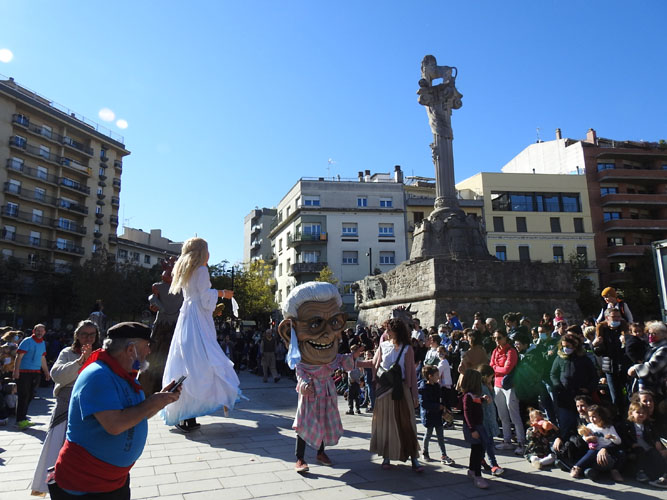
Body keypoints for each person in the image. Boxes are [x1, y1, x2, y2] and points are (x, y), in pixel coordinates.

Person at [48, 322, 181, 499]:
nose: (149, 351)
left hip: (111, 481)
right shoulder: (99, 375)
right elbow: (115, 424)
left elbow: (137, 415)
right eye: (146, 345)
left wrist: (161, 401)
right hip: (86, 484)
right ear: (130, 349)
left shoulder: (122, 374)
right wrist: (152, 402)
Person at [276, 281, 365, 473]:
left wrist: (354, 356)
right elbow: (300, 374)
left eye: (334, 322)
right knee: (304, 425)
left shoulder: (331, 358)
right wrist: (305, 386)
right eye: (315, 324)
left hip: (327, 392)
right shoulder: (302, 361)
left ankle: (320, 452)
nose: (327, 334)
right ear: (289, 331)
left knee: (324, 422)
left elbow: (342, 361)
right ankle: (300, 458)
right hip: (310, 395)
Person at [161, 237, 241, 432]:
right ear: (203, 252)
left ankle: (184, 414)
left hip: (186, 317)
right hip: (198, 320)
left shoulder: (184, 270)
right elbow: (205, 299)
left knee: (185, 364)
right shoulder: (202, 270)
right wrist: (222, 293)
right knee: (204, 361)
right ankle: (194, 411)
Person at [30, 321, 100, 496]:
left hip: (92, 408)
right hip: (66, 407)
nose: (88, 338)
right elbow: (57, 375)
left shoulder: (102, 354)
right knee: (58, 449)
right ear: (77, 335)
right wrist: (80, 361)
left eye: (92, 334)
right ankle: (55, 488)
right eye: (84, 334)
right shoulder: (67, 353)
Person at [370, 317, 423, 472]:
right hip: (385, 390)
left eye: (389, 330)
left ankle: (414, 458)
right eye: (386, 329)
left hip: (402, 389)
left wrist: (415, 394)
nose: (386, 332)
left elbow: (412, 373)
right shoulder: (383, 346)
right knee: (385, 423)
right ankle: (386, 456)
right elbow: (374, 363)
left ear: (397, 331)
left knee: (406, 423)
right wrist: (352, 361)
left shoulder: (407, 349)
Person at [550, 334, 597, 441]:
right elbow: (553, 374)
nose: (565, 349)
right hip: (565, 397)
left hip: (581, 398)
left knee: (584, 427)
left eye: (568, 346)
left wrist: (588, 388)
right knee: (566, 425)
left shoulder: (584, 359)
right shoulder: (560, 358)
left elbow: (594, 376)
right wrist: (558, 386)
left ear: (575, 346)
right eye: (564, 346)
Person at [489, 329, 524, 455]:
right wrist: (498, 368)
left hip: (509, 386)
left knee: (514, 414)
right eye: (494, 338)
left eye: (499, 338)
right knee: (502, 415)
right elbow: (491, 365)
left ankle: (521, 442)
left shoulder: (511, 351)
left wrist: (496, 368)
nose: (497, 340)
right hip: (497, 385)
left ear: (505, 338)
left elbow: (507, 369)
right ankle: (507, 440)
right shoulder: (495, 351)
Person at [570, 405, 624, 482]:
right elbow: (584, 436)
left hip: (607, 453)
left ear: (601, 416)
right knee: (592, 452)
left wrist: (612, 437)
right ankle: (577, 467)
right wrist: (587, 439)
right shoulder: (590, 426)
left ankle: (615, 471)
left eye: (594, 416)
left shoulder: (609, 427)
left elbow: (618, 441)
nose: (592, 419)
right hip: (594, 453)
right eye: (590, 416)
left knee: (621, 453)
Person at [13, 323, 51, 430]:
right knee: (23, 395)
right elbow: (19, 356)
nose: (40, 333)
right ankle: (19, 420)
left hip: (36, 372)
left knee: (30, 396)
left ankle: (23, 418)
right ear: (34, 331)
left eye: (42, 331)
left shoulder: (42, 343)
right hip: (24, 372)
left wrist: (46, 372)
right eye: (38, 330)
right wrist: (16, 371)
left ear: (44, 332)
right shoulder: (27, 341)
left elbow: (42, 359)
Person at [418, 365, 454, 465]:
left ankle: (444, 454)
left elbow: (441, 398)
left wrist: (444, 407)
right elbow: (424, 404)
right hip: (429, 415)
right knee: (428, 434)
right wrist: (438, 406)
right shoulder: (424, 388)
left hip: (437, 414)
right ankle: (425, 451)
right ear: (430, 376)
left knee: (440, 436)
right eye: (437, 375)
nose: (439, 376)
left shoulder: (437, 386)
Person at [594, 308, 627, 411]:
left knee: (628, 393)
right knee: (615, 395)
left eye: (618, 317)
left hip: (623, 365)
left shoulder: (624, 329)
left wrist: (626, 340)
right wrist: (595, 344)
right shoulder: (602, 330)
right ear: (607, 318)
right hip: (610, 367)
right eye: (614, 317)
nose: (617, 319)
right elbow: (599, 353)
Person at [461, 368, 489, 489]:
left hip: (478, 426)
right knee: (478, 451)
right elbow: (467, 413)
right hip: (474, 427)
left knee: (477, 449)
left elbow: (476, 401)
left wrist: (483, 399)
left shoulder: (472, 396)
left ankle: (472, 470)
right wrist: (472, 429)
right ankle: (478, 475)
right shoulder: (468, 396)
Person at [627, 320, 667, 402]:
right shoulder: (651, 347)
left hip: (657, 389)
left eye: (654, 333)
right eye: (649, 333)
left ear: (664, 335)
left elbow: (652, 367)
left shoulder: (664, 349)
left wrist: (635, 368)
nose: (650, 336)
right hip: (647, 387)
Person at [478, 364, 504, 476]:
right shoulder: (479, 387)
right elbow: (479, 400)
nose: (491, 379)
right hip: (485, 419)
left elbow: (492, 398)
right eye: (490, 377)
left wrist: (491, 389)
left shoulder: (486, 385)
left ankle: (480, 459)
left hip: (490, 417)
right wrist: (483, 399)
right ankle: (494, 464)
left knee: (486, 443)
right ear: (484, 376)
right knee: (489, 442)